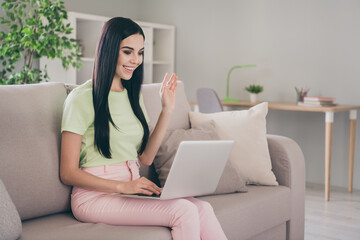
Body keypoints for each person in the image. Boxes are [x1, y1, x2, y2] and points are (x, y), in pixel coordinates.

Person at [60, 17, 227, 240]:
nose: (136, 60)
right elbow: (68, 172)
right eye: (128, 51)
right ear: (109, 50)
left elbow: (146, 158)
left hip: (131, 187)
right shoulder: (80, 99)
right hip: (93, 197)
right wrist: (122, 187)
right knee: (183, 211)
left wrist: (167, 109)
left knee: (203, 208)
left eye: (140, 52)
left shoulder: (132, 95)